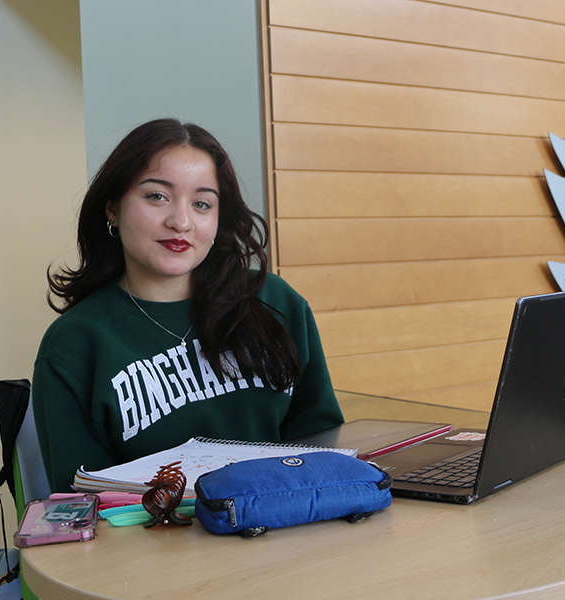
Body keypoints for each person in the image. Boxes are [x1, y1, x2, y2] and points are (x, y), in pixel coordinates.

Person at [33, 119, 343, 494]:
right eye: (156, 196)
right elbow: (83, 502)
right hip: (156, 546)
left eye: (201, 204)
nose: (181, 222)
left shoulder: (273, 302)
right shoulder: (74, 344)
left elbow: (321, 444)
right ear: (112, 208)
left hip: (286, 524)